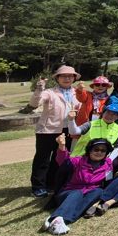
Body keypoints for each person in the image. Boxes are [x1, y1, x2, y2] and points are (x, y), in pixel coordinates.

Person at [42, 136, 114, 235]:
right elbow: (63, 160)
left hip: (88, 194)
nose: (99, 152)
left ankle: (60, 220)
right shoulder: (79, 161)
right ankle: (54, 218)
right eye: (96, 149)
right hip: (69, 193)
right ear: (89, 150)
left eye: (103, 150)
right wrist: (62, 146)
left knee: (98, 191)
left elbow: (112, 175)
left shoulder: (108, 164)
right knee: (77, 193)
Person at [29, 65, 82, 197]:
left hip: (68, 130)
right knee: (43, 159)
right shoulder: (49, 92)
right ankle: (38, 186)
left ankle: (52, 183)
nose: (67, 78)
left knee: (59, 159)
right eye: (63, 76)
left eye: (70, 76)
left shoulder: (77, 92)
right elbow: (35, 103)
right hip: (48, 130)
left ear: (74, 78)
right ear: (57, 78)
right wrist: (39, 89)